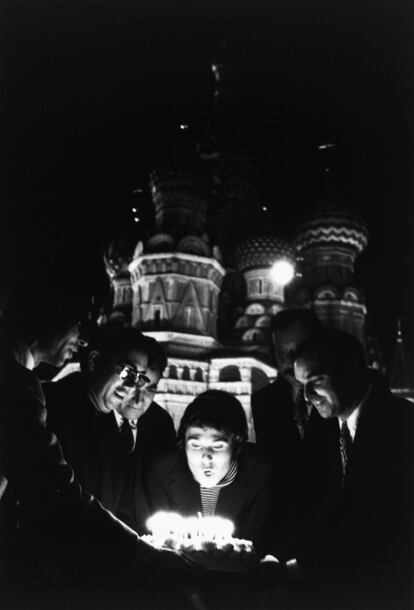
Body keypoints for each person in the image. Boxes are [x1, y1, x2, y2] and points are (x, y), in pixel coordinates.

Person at [0, 282, 197, 609]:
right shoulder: (21, 385)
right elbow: (52, 491)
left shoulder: (111, 422)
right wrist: (144, 555)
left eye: (143, 382)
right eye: (80, 323)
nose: (82, 338)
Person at [261, 330, 414, 610]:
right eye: (301, 384)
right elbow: (325, 509)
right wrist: (274, 557)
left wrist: (293, 568)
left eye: (316, 381)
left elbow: (372, 525)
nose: (307, 396)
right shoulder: (327, 426)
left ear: (351, 368)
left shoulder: (401, 426)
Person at [145, 390, 274, 610]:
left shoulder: (261, 473)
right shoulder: (162, 472)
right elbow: (161, 555)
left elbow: (255, 554)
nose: (206, 458)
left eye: (218, 446)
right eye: (195, 445)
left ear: (237, 444)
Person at [46, 329, 176, 533]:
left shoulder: (112, 418)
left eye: (141, 380)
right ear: (94, 362)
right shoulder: (50, 407)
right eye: (127, 373)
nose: (132, 389)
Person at [251, 308, 341, 551]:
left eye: (299, 351)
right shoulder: (264, 402)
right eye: (282, 354)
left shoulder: (340, 396)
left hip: (336, 534)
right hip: (282, 535)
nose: (291, 362)